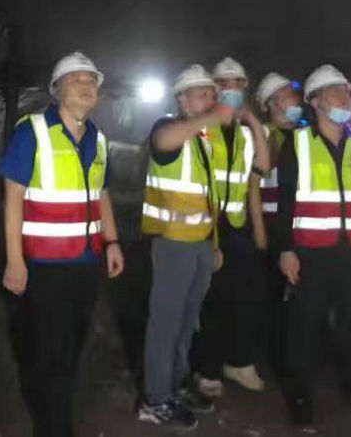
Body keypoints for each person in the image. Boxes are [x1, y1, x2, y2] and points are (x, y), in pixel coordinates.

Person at [0, 52, 124, 437]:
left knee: (72, 347)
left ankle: (55, 412)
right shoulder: (32, 132)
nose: (87, 87)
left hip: (86, 263)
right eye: (76, 79)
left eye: (91, 81)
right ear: (57, 90)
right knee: (50, 351)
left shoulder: (99, 139)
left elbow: (102, 194)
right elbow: (13, 197)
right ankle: (53, 426)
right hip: (44, 266)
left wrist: (113, 241)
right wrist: (14, 260)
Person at [274, 64, 351, 432]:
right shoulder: (297, 144)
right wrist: (285, 250)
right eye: (334, 92)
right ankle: (300, 402)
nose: (344, 98)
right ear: (315, 103)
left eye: (346, 92)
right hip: (310, 255)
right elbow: (285, 202)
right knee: (304, 331)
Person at [138, 64, 226, 430]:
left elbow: (209, 197)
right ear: (181, 100)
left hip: (200, 246)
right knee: (166, 325)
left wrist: (214, 243)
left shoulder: (203, 140)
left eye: (211, 93)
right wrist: (210, 117)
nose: (210, 98)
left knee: (187, 323)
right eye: (201, 92)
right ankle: (155, 399)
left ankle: (174, 385)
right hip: (173, 245)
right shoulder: (168, 127)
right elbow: (163, 142)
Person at [193, 57, 271, 397]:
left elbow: (260, 171)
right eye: (223, 83)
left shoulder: (250, 132)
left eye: (237, 84)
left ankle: (240, 362)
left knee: (246, 298)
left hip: (238, 226)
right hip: (205, 226)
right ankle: (208, 369)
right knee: (211, 300)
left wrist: (251, 119)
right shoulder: (201, 127)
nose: (231, 89)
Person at [248, 72, 304, 374]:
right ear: (269, 104)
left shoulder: (308, 134)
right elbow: (253, 185)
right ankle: (268, 356)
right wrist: (259, 229)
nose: (291, 100)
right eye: (283, 96)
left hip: (303, 227)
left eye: (292, 94)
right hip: (270, 227)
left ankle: (294, 353)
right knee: (269, 295)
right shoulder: (262, 136)